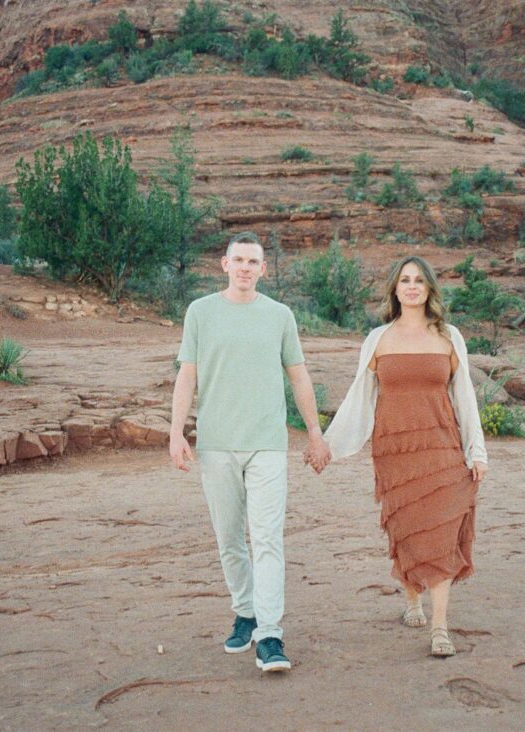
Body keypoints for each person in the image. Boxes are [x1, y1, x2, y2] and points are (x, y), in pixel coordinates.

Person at [169, 231, 331, 673]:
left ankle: (270, 635)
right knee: (229, 539)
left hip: (267, 445)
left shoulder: (279, 316)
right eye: (237, 260)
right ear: (224, 264)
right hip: (217, 442)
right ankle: (246, 611)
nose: (244, 267)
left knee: (266, 538)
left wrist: (315, 432)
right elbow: (188, 376)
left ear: (263, 268)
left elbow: (298, 376)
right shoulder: (200, 313)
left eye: (252, 261)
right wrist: (176, 431)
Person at [311, 255, 487, 657]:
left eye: (419, 281)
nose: (411, 287)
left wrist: (477, 451)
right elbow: (360, 399)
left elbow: (465, 398)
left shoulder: (448, 336)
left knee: (440, 531)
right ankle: (412, 599)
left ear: (429, 290)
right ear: (395, 288)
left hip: (443, 446)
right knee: (407, 528)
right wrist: (328, 446)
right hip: (394, 450)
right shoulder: (378, 338)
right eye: (404, 280)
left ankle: (440, 627)